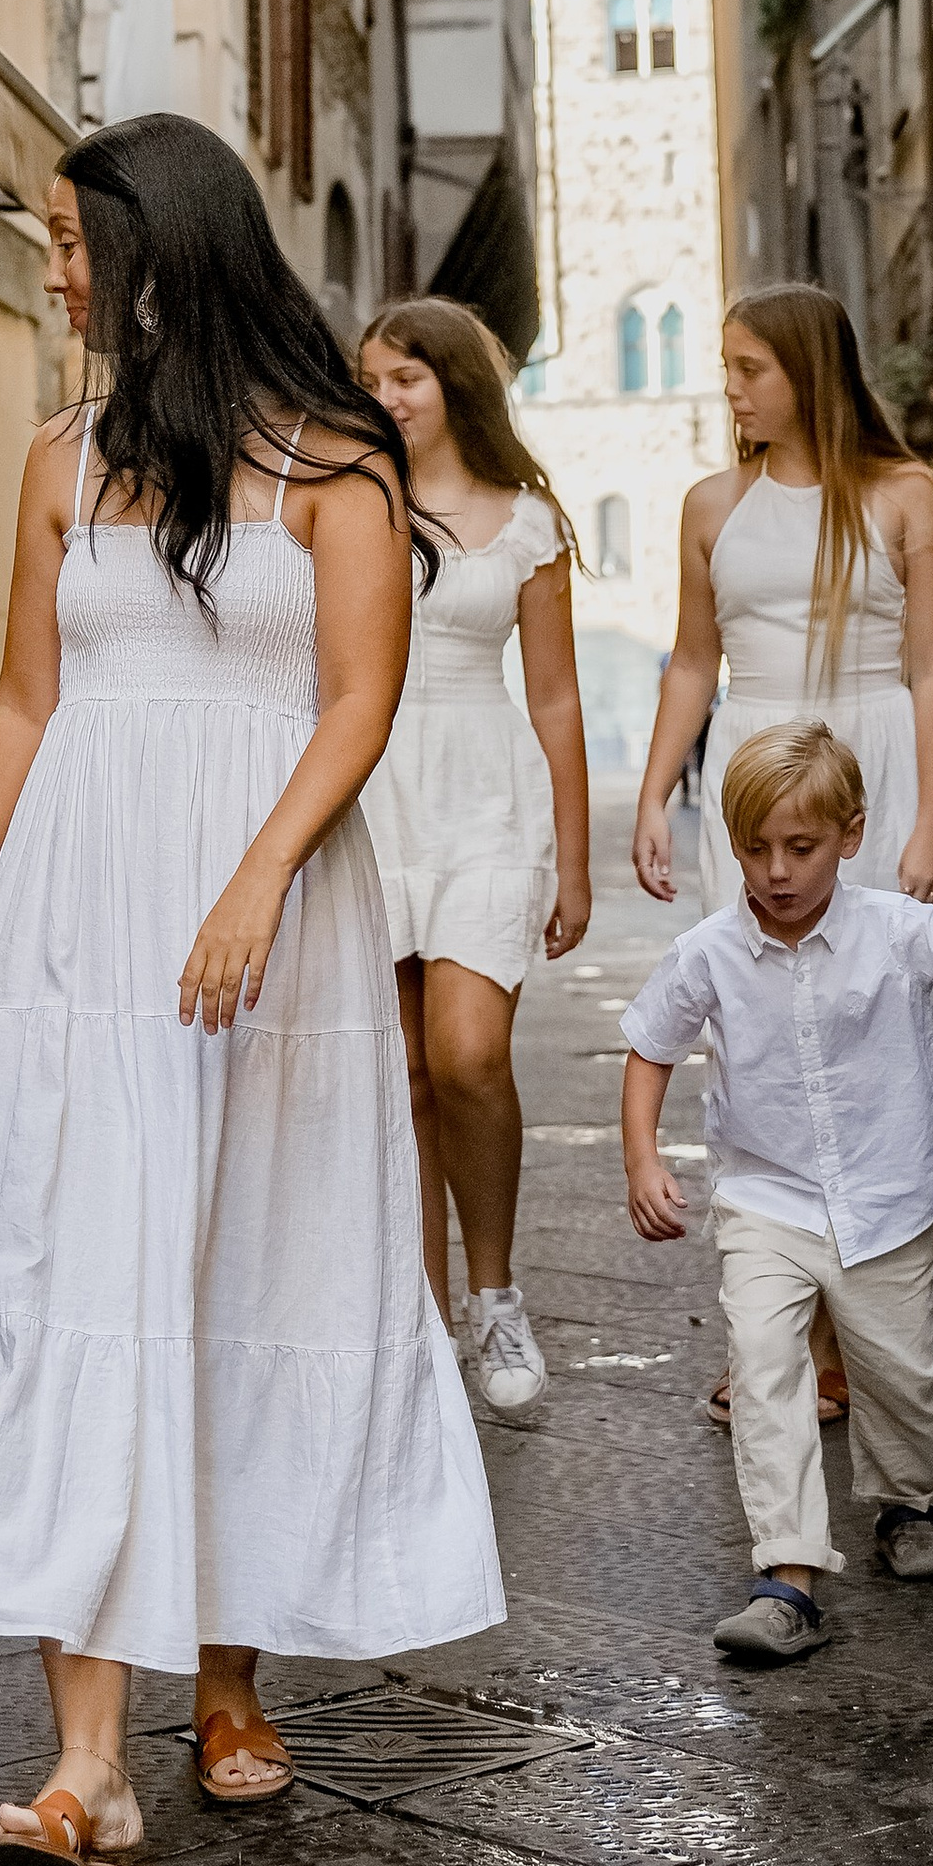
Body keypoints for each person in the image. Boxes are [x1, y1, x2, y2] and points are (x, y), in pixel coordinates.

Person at [0, 117, 502, 1866]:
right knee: (69, 1280)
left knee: (243, 1261)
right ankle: (90, 1764)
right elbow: (24, 704)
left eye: (75, 241)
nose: (57, 269)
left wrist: (255, 876)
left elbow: (355, 702)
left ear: (166, 250)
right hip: (79, 925)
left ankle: (230, 1673)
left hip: (268, 918)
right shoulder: (50, 461)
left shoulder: (338, 465)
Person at [621, 720, 933, 1665]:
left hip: (887, 1202)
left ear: (851, 836)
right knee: (766, 1369)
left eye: (801, 848)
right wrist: (643, 1158)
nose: (776, 870)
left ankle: (906, 1501)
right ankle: (787, 1574)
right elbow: (651, 1045)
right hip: (764, 1204)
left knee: (904, 1378)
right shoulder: (708, 950)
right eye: (754, 849)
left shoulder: (897, 930)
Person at [632, 285, 933, 1424]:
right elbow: (690, 662)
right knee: (759, 1045)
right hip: (755, 764)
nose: (727, 388)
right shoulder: (709, 506)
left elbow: (932, 670)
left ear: (807, 372)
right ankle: (781, 1339)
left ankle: (874, 1326)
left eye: (745, 368)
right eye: (725, 367)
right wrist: (651, 798)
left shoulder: (906, 495)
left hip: (875, 766)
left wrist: (930, 824)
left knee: (885, 1044)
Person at [357, 296, 591, 1415]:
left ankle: (495, 1295)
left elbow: (554, 698)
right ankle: (418, 1315)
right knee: (397, 1074)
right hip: (371, 791)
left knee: (466, 1057)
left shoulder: (527, 520)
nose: (387, 398)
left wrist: (576, 859)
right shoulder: (350, 505)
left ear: (455, 383)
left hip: (487, 797)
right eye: (371, 380)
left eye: (406, 377)